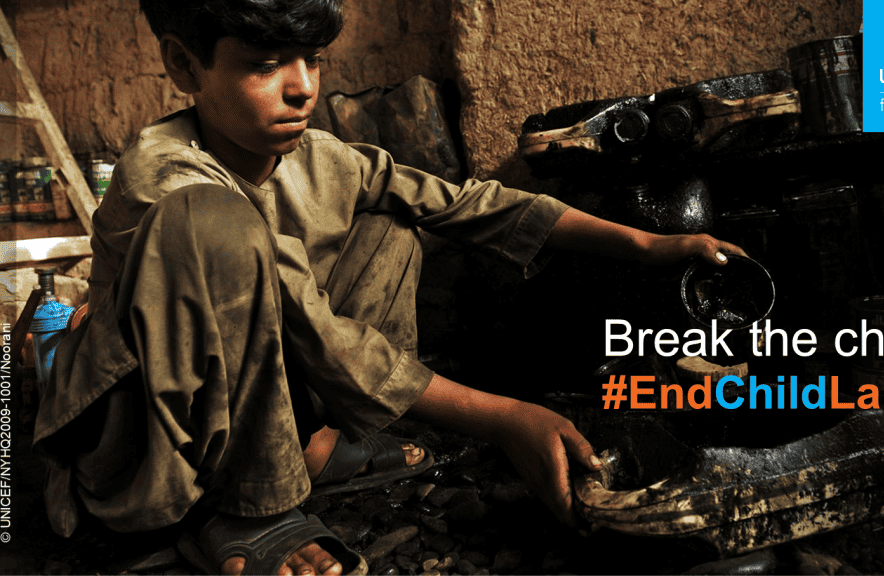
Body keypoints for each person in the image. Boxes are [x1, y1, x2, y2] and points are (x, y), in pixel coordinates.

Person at [33, 0, 744, 574]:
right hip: (155, 431)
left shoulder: (313, 155)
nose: (303, 86)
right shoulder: (165, 177)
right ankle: (248, 507)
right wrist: (504, 417)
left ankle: (317, 446)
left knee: (392, 223)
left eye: (311, 60)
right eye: (263, 64)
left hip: (258, 383)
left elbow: (461, 202)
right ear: (184, 64)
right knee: (220, 232)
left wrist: (646, 243)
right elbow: (310, 322)